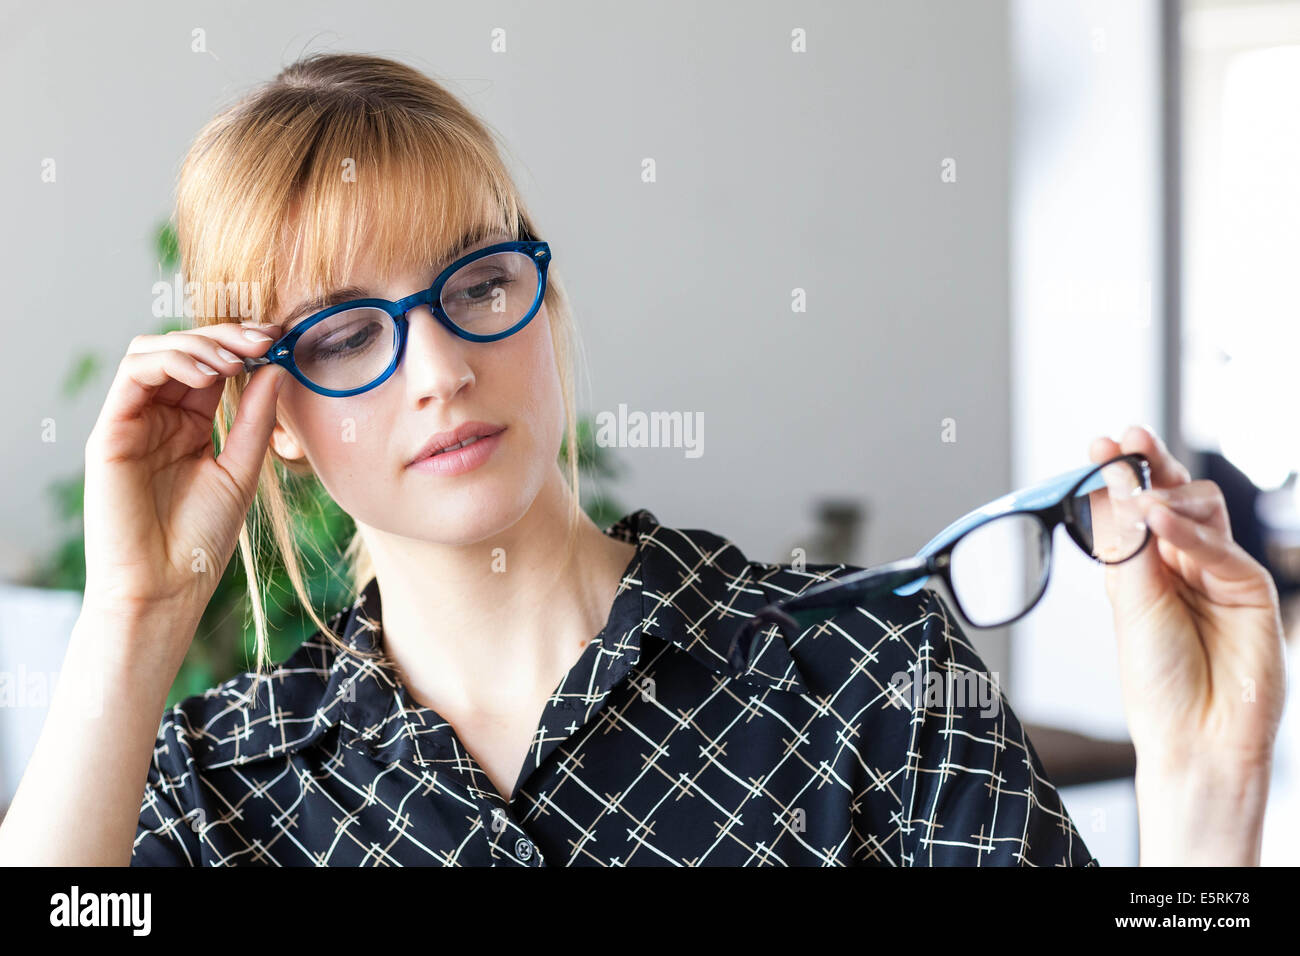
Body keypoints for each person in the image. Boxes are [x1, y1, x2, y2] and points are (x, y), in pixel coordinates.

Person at [0, 53, 1284, 867]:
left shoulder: (868, 676)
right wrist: (137, 613)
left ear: (543, 302)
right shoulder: (219, 786)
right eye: (345, 332)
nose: (441, 367)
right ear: (264, 409)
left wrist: (1205, 805)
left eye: (478, 281)